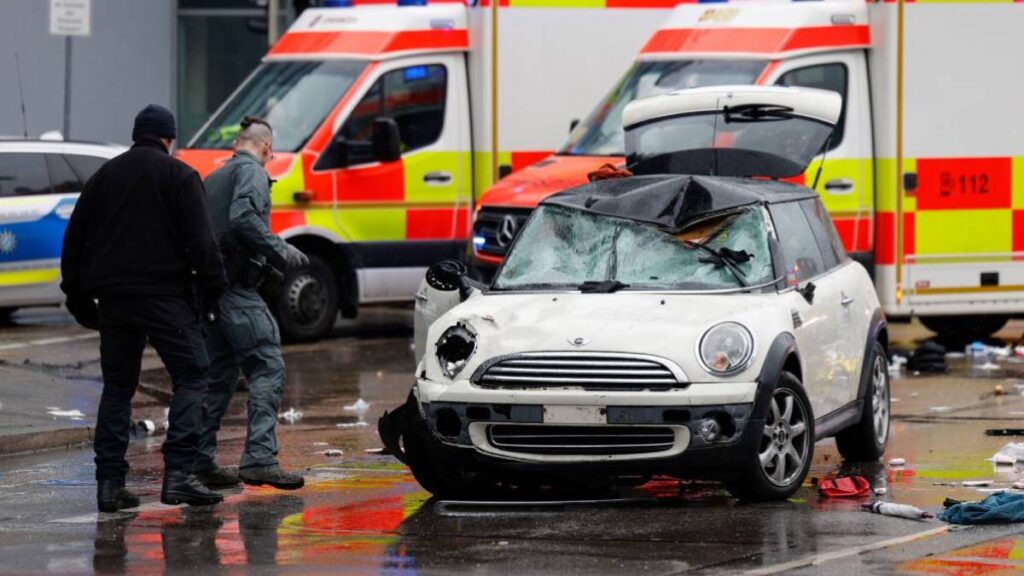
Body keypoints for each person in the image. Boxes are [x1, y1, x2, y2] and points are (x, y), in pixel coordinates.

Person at [61, 104, 228, 512]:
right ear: (169, 138)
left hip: (115, 299)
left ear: (137, 134)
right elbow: (202, 244)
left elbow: (75, 239)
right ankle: (180, 475)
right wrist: (214, 291)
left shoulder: (104, 176)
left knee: (118, 387)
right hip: (165, 296)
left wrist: (78, 298)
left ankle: (109, 485)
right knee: (192, 373)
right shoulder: (179, 175)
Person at [195, 115, 308, 490]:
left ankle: (200, 461)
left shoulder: (213, 179)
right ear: (265, 148)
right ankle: (260, 458)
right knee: (267, 365)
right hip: (237, 291)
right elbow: (243, 218)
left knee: (220, 374)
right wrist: (281, 250)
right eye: (269, 151)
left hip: (210, 293)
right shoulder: (254, 173)